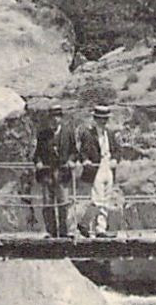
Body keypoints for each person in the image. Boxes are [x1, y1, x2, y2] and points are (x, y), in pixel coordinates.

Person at [31, 101, 77, 238]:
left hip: (62, 174)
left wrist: (70, 161)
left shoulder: (68, 132)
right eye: (52, 117)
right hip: (47, 174)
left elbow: (74, 151)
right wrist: (38, 162)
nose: (55, 119)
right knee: (48, 204)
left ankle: (64, 232)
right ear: (49, 119)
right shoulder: (43, 135)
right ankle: (51, 232)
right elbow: (36, 154)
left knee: (63, 204)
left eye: (57, 116)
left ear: (61, 118)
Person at [78, 104, 121, 237]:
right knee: (97, 199)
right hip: (96, 168)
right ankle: (84, 223)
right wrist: (85, 160)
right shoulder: (88, 134)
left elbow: (118, 150)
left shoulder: (110, 134)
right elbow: (83, 151)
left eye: (105, 119)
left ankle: (100, 229)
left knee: (106, 199)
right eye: (101, 119)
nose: (103, 121)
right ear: (95, 119)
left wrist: (115, 159)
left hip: (108, 167)